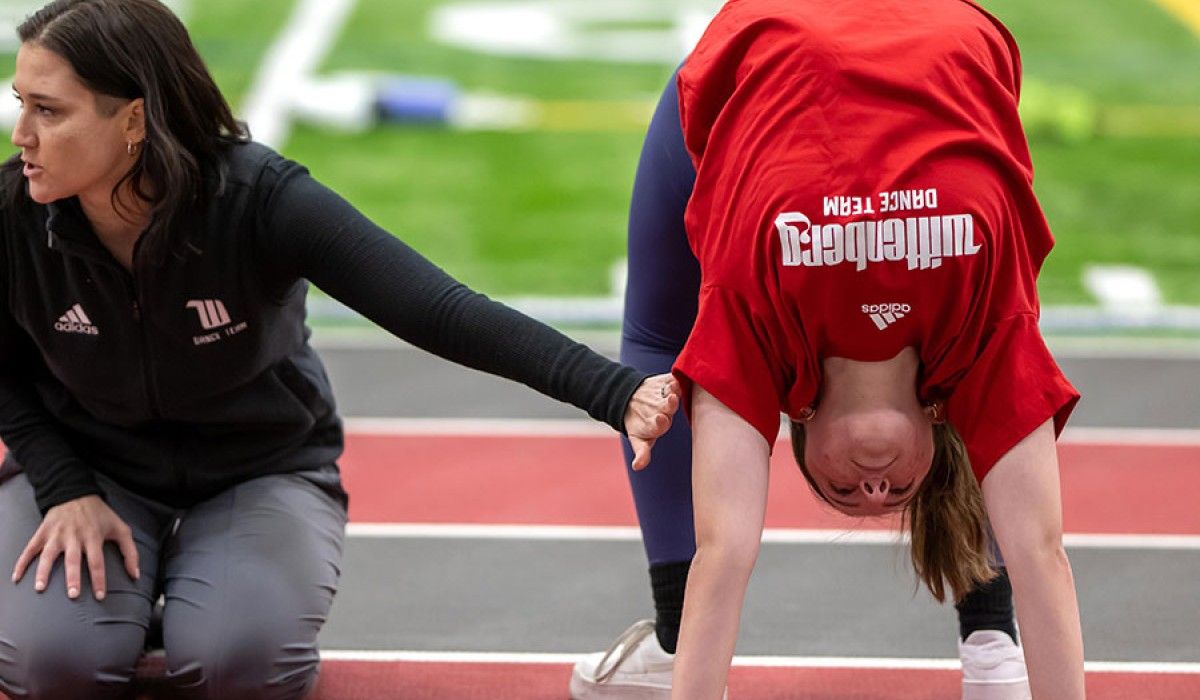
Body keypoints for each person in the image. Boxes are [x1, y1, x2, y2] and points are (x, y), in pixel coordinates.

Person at [0, 1, 680, 699]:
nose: (21, 133)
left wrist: (614, 390)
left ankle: (201, 597)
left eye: (49, 111)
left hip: (256, 469)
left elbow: (438, 310)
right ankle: (138, 602)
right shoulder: (12, 213)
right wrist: (63, 487)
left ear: (134, 121)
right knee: (53, 670)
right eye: (22, 103)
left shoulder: (257, 199)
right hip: (92, 469)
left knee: (241, 668)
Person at [570, 1, 1085, 699]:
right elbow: (1042, 554)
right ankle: (993, 638)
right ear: (942, 419)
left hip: (765, 43)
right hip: (944, 34)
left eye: (844, 489)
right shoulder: (984, 335)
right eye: (896, 492)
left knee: (659, 341)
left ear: (795, 415)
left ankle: (672, 639)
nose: (874, 485)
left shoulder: (753, 329)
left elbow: (726, 554)